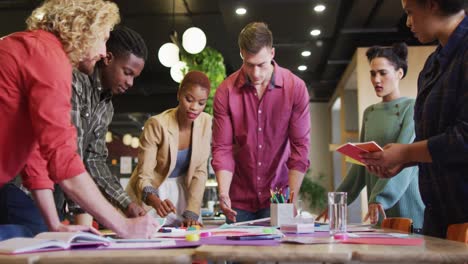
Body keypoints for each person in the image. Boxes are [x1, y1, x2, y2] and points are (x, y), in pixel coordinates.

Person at [0, 0, 157, 240]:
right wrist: (123, 226)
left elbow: (34, 156)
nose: (104, 51)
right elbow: (63, 158)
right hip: (11, 189)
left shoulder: (37, 49)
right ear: (85, 29)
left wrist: (54, 224)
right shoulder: (50, 58)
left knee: (31, 237)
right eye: (103, 38)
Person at [362, 0, 467, 238]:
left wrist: (406, 153)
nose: (408, 22)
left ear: (432, 4)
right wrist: (404, 161)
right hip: (438, 212)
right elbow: (432, 140)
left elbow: (464, 138)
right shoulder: (432, 65)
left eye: (410, 12)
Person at [317, 43, 425, 231]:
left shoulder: (412, 108)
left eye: (383, 73)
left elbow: (404, 158)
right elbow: (360, 166)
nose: (376, 79)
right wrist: (337, 201)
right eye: (372, 73)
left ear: (399, 73)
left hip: (407, 209)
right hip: (378, 212)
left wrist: (380, 198)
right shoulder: (369, 113)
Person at [211, 22, 311, 223]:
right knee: (236, 255)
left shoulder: (295, 88)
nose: (255, 74)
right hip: (238, 198)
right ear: (241, 54)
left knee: (276, 255)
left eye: (261, 65)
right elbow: (222, 148)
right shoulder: (226, 91)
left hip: (278, 198)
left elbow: (300, 147)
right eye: (249, 64)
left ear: (272, 53)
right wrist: (223, 193)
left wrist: (290, 200)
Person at [126, 71, 212, 227]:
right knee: (150, 240)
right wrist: (155, 201)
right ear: (179, 94)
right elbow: (144, 174)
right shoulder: (157, 124)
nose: (194, 107)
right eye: (189, 99)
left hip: (184, 192)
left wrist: (192, 210)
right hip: (153, 191)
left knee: (190, 237)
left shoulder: (206, 123)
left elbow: (200, 171)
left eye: (201, 103)